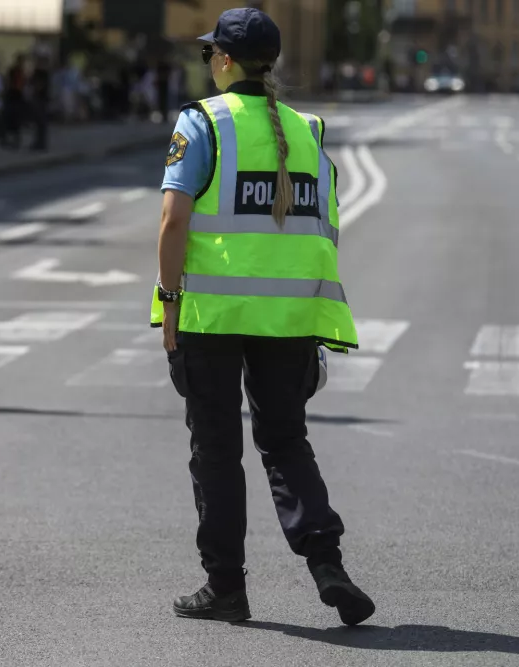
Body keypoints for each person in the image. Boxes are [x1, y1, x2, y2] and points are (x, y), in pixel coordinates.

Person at [150, 7, 375, 627]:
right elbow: (323, 227)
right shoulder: (307, 129)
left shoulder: (202, 123)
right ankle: (328, 564)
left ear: (223, 59)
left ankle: (226, 587)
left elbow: (173, 222)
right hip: (289, 319)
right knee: (285, 441)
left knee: (217, 450)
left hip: (213, 316)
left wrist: (169, 306)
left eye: (208, 54)